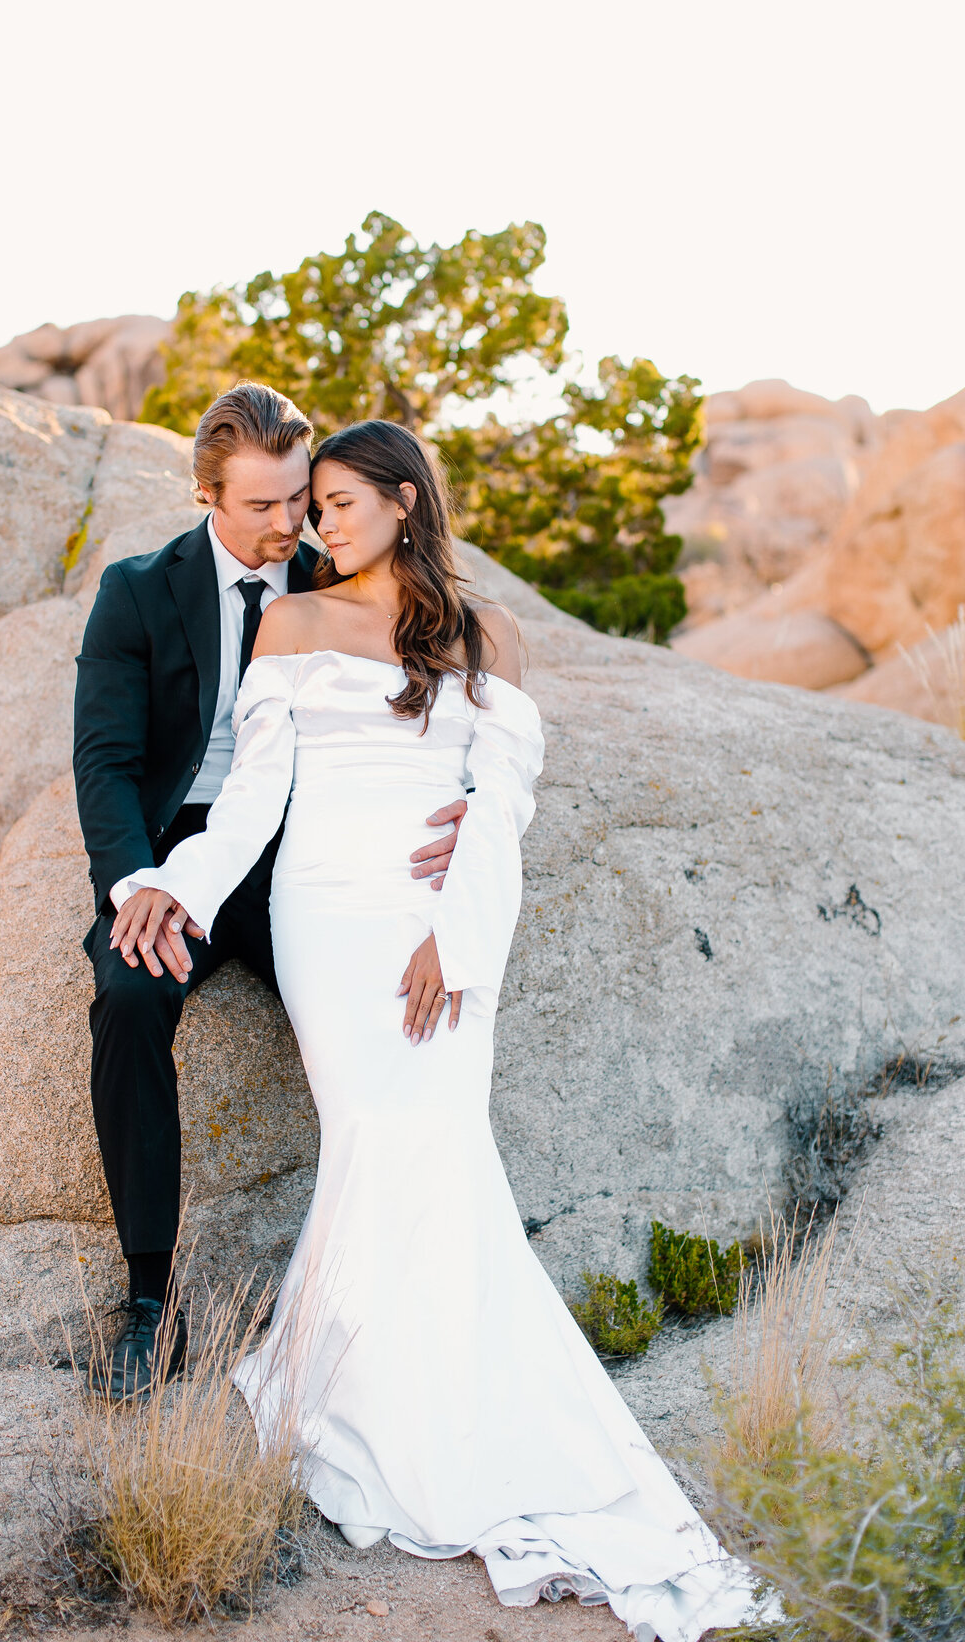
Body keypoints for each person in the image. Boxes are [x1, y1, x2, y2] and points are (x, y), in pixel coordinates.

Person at [109, 419, 763, 1640]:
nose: (319, 528)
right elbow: (254, 795)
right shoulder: (292, 624)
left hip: (438, 918)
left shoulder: (490, 637)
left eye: (343, 504)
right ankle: (371, 1403)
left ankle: (440, 1408)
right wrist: (174, 887)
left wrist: (452, 926)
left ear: (408, 501)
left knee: (442, 1143)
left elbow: (502, 798)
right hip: (327, 913)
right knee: (378, 1135)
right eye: (314, 510)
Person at [72, 384, 466, 1401]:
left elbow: (434, 697)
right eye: (264, 507)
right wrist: (137, 887)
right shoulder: (136, 592)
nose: (293, 525)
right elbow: (107, 762)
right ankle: (149, 1301)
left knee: (395, 1017)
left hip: (309, 852)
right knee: (129, 994)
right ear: (207, 494)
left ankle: (409, 1276)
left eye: (301, 500)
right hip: (185, 847)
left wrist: (462, 803)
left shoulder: (343, 575)